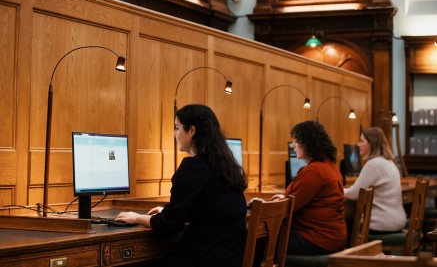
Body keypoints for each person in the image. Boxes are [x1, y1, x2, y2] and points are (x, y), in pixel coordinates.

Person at [115, 104, 248, 267]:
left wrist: (136, 217)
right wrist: (170, 212)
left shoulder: (193, 167)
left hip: (202, 259)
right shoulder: (225, 166)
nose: (174, 134)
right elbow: (211, 210)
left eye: (177, 128)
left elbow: (168, 226)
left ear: (191, 130)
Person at [270, 120, 347, 255]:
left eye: (296, 141)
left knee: (258, 241)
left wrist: (267, 204)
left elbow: (288, 208)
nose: (293, 145)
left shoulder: (314, 171)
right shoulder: (330, 166)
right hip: (333, 238)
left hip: (317, 240)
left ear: (308, 143)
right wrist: (285, 198)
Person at [344, 127, 406, 234]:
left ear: (371, 144)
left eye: (362, 141)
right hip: (396, 221)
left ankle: (356, 251)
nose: (358, 145)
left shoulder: (374, 164)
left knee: (346, 225)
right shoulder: (389, 162)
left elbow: (354, 194)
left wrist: (336, 189)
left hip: (382, 224)